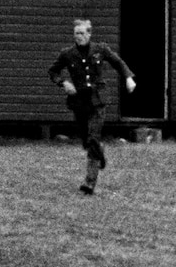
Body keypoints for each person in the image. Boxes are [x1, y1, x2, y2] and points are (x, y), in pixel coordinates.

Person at [48, 18, 137, 195]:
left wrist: (128, 77)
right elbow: (53, 71)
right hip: (79, 102)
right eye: (76, 34)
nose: (79, 37)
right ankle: (100, 153)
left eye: (82, 33)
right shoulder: (68, 54)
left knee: (93, 137)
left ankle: (89, 183)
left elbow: (118, 63)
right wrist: (63, 82)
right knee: (87, 141)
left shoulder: (100, 49)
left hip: (97, 100)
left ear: (89, 33)